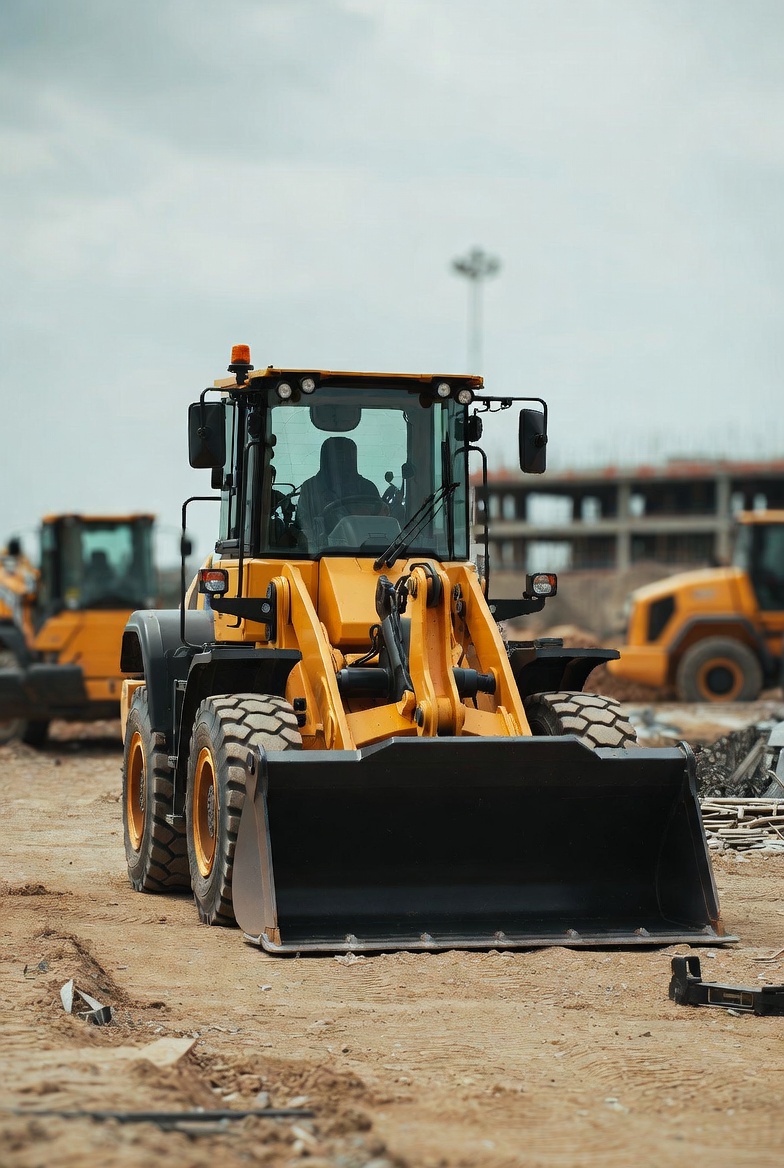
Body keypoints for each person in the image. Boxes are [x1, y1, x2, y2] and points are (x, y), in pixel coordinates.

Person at [296, 436, 381, 547]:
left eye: (346, 456)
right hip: (319, 550)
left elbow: (379, 525)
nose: (341, 461)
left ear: (353, 458)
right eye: (336, 456)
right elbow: (303, 523)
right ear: (325, 459)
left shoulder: (367, 488)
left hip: (362, 550)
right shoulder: (310, 487)